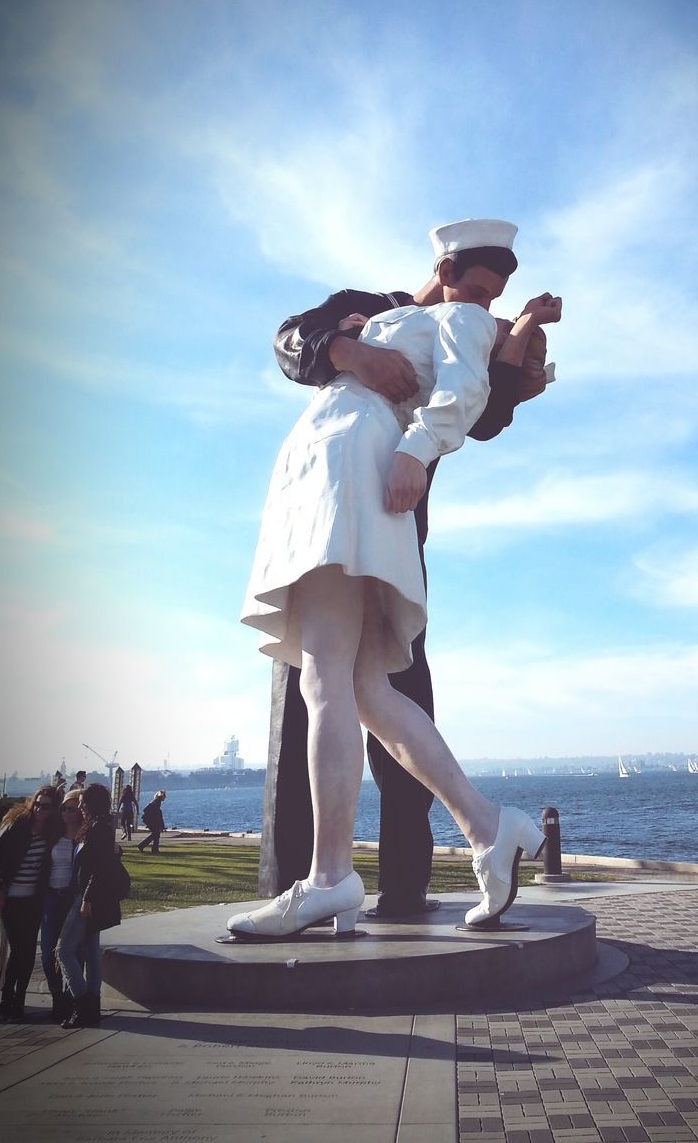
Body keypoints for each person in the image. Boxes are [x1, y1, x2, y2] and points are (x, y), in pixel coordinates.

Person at [231, 219, 558, 937]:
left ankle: (329, 877)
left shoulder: (458, 319)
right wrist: (350, 340)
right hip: (340, 466)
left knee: (327, 679)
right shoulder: (395, 311)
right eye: (473, 285)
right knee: (361, 688)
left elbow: (478, 395)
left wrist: (415, 445)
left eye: (491, 295)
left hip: (353, 465)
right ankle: (485, 827)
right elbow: (296, 338)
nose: (481, 300)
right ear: (443, 267)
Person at [0, 785, 63, 1021]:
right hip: (11, 898)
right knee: (19, 950)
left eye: (45, 806)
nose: (39, 809)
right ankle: (7, 999)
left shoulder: (52, 832)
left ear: (53, 809)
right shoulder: (17, 825)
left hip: (34, 900)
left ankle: (19, 999)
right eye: (37, 803)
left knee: (27, 950)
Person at [56, 783, 122, 1028]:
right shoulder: (94, 828)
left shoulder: (98, 829)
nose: (80, 807)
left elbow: (98, 871)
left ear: (92, 804)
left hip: (85, 898)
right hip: (84, 895)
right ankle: (91, 1008)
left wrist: (86, 900)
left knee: (64, 950)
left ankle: (82, 1004)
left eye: (83, 802)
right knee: (91, 951)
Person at [41, 790, 82, 1022]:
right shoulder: (53, 834)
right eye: (64, 808)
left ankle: (73, 998)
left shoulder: (85, 836)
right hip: (51, 897)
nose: (67, 813)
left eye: (72, 808)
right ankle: (58, 997)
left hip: (73, 898)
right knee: (48, 955)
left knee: (71, 953)